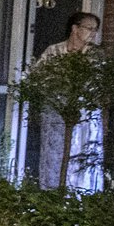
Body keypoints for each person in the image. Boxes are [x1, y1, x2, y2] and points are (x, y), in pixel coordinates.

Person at [36, 11, 104, 192]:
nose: (93, 33)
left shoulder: (95, 55)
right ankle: (52, 193)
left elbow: (96, 83)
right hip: (57, 112)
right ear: (75, 29)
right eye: (89, 28)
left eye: (95, 30)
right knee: (55, 156)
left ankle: (81, 195)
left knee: (82, 155)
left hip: (83, 114)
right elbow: (39, 78)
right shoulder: (53, 51)